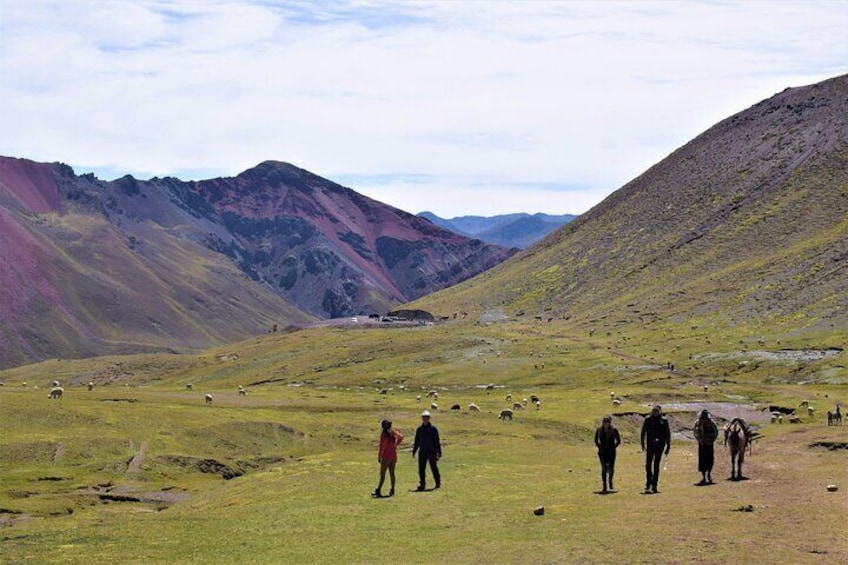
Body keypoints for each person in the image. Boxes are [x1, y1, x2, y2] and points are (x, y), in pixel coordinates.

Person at [640, 404, 671, 493]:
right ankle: (648, 481)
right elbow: (643, 432)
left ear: (660, 411)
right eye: (654, 410)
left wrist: (668, 446)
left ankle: (654, 485)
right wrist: (642, 444)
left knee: (656, 464)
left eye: (657, 411)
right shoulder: (648, 420)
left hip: (660, 446)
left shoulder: (664, 421)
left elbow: (668, 434)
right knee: (648, 464)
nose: (655, 412)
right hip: (650, 445)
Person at [412, 410, 442, 490]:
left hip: (431, 451)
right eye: (424, 417)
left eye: (427, 417)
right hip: (422, 451)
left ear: (429, 418)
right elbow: (416, 441)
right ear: (422, 418)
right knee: (421, 469)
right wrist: (414, 451)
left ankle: (438, 482)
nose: (425, 419)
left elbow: (437, 441)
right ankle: (422, 484)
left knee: (433, 467)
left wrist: (439, 451)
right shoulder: (419, 429)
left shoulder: (433, 429)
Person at [373, 419, 404, 498]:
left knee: (382, 474)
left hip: (386, 456)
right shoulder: (392, 433)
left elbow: (382, 446)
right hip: (393, 455)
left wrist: (379, 456)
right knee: (392, 473)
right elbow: (401, 437)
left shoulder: (384, 434)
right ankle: (392, 489)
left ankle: (378, 490)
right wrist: (396, 445)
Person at [594, 415, 621, 493]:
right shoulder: (599, 430)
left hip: (611, 452)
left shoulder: (614, 430)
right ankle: (604, 486)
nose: (606, 423)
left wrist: (613, 447)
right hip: (602, 452)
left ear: (610, 422)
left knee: (611, 468)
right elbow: (596, 440)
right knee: (604, 468)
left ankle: (610, 480)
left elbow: (618, 440)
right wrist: (599, 447)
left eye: (607, 421)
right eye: (604, 421)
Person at [693, 409, 719, 484]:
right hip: (706, 443)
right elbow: (716, 432)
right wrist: (712, 440)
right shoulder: (701, 423)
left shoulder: (699, 422)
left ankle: (705, 476)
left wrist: (699, 439)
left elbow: (694, 432)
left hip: (704, 443)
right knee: (707, 459)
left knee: (704, 459)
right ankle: (707, 475)